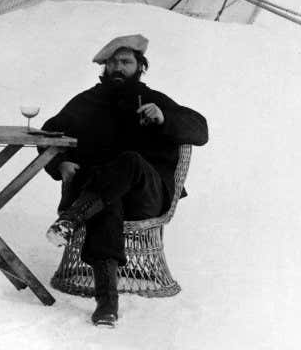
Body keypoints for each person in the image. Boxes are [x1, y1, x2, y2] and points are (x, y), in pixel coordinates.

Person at [40, 34, 208, 327]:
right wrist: (60, 163)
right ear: (104, 67)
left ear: (140, 66)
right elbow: (47, 134)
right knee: (108, 203)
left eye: (126, 62)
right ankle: (107, 303)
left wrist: (164, 117)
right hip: (102, 197)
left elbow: (200, 130)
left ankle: (71, 219)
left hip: (147, 195)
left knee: (129, 160)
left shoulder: (156, 100)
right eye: (113, 62)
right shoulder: (87, 101)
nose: (119, 67)